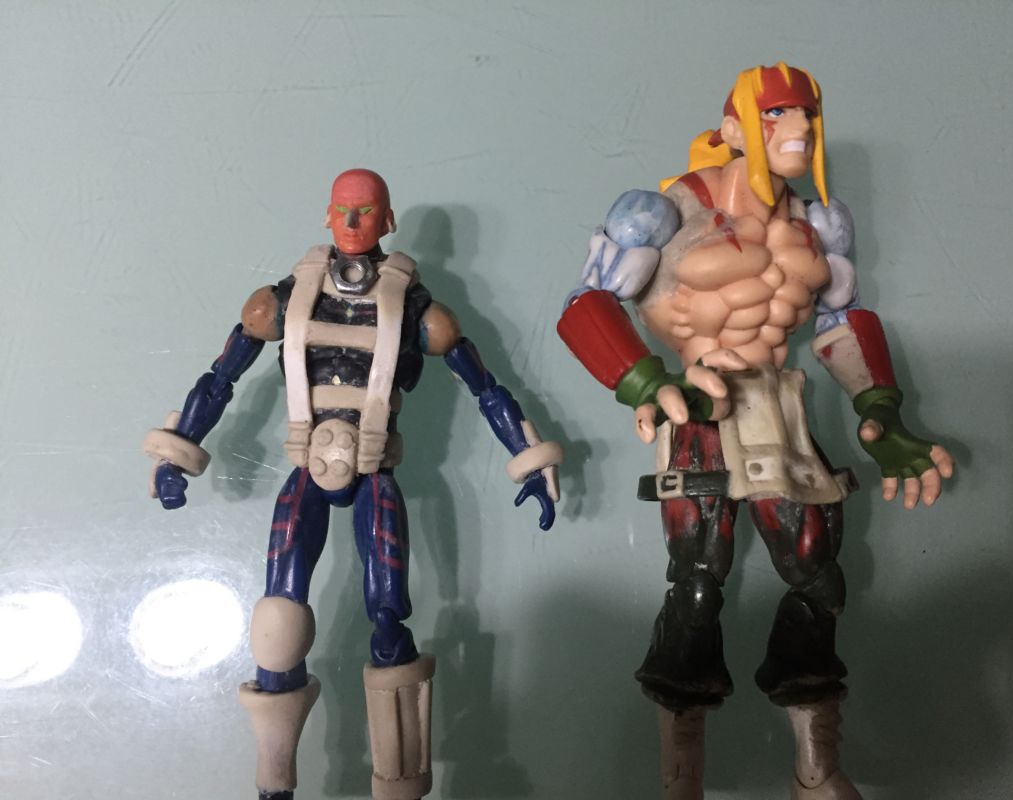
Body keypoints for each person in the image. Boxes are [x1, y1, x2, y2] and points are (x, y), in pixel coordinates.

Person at [557, 63, 953, 800]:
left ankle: (815, 766)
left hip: (779, 404)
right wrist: (644, 380)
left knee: (818, 578)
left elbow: (839, 321)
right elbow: (585, 304)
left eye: (806, 112)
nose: (798, 127)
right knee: (696, 584)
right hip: (697, 408)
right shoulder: (660, 212)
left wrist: (881, 411)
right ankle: (681, 776)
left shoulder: (821, 223)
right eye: (776, 113)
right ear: (735, 128)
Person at [145, 168, 562, 800]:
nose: (351, 222)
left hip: (374, 472)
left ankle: (400, 781)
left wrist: (527, 454)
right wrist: (177, 451)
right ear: (326, 215)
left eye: (365, 211)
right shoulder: (282, 300)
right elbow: (221, 376)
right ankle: (274, 779)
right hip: (307, 468)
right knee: (278, 614)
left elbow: (484, 385)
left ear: (386, 220)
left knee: (389, 615)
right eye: (342, 209)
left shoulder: (419, 311)